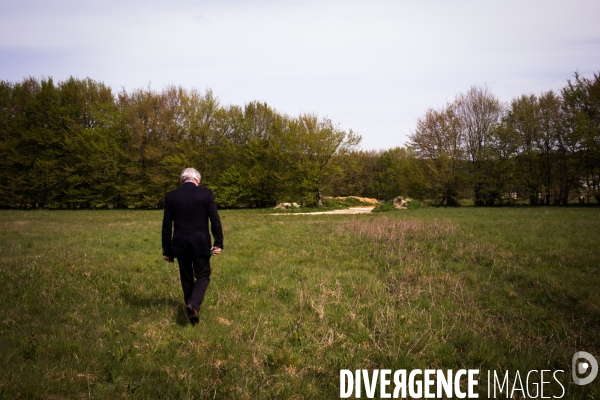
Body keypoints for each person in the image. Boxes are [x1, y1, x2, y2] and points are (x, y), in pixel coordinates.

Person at [162, 168, 224, 325]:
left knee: (186, 277)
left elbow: (166, 226)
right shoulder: (206, 194)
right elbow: (214, 219)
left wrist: (167, 250)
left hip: (180, 243)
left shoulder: (170, 196)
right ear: (198, 180)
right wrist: (218, 242)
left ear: (182, 179)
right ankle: (193, 305)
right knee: (203, 275)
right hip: (200, 243)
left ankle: (191, 309)